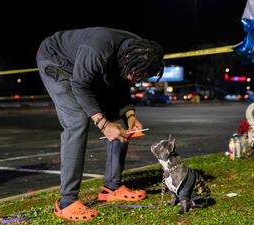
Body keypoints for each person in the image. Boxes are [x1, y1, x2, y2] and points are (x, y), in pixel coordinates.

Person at [36, 27, 164, 221]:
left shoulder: (137, 50)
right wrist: (103, 124)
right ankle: (67, 202)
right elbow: (80, 85)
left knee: (118, 122)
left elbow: (120, 85)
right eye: (134, 75)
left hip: (85, 68)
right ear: (128, 61)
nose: (133, 79)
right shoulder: (98, 49)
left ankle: (111, 188)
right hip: (57, 61)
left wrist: (129, 115)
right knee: (77, 121)